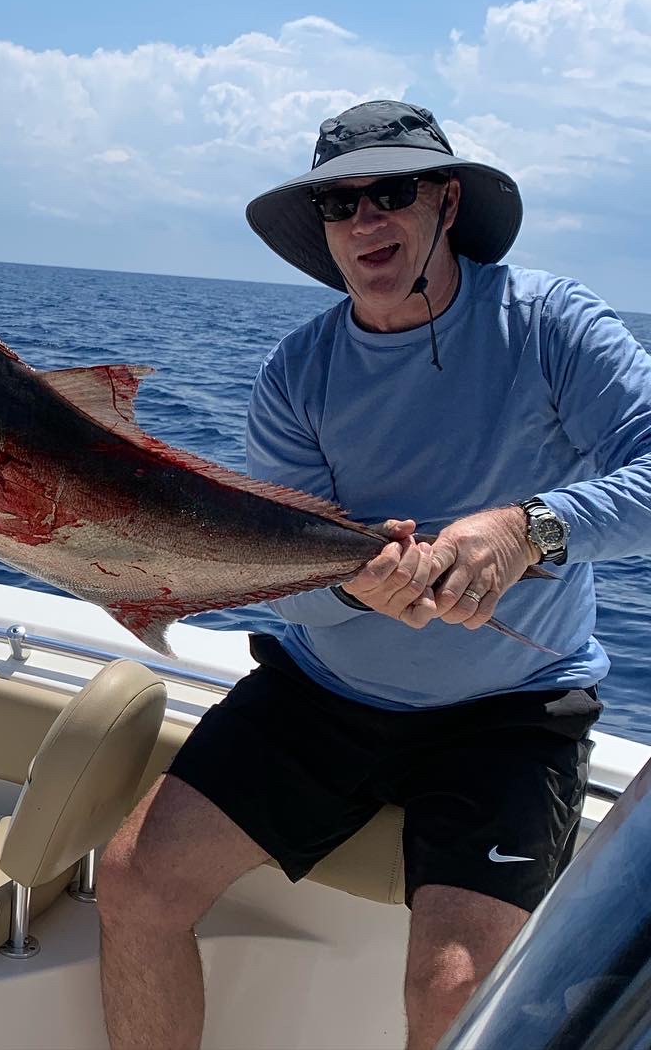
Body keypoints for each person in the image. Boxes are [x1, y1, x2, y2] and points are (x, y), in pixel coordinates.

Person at [97, 100, 651, 1049]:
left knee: (454, 988)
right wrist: (351, 587)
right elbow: (277, 577)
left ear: (447, 202)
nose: (365, 221)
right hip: (325, 694)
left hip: (512, 712)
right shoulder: (296, 374)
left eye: (391, 193)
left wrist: (529, 530)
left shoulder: (550, 325)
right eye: (339, 204)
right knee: (132, 882)